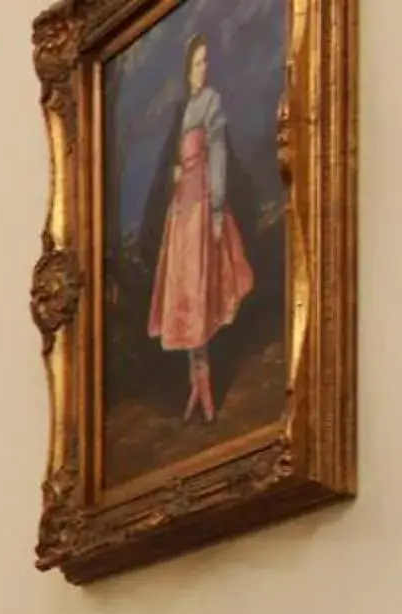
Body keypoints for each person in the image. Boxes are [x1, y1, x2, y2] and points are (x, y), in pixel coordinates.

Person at [147, 34, 258, 425]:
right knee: (184, 294)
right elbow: (174, 159)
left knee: (201, 292)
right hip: (181, 208)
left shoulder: (211, 103)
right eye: (197, 63)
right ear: (187, 68)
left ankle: (206, 385)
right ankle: (196, 382)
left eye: (206, 62)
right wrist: (175, 171)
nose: (203, 69)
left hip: (202, 203)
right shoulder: (183, 108)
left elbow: (219, 153)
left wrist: (214, 209)